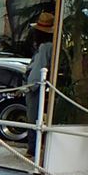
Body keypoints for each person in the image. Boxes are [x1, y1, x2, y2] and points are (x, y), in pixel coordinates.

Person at [25, 12, 54, 156]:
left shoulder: (44, 47)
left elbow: (38, 69)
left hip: (36, 85)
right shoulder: (49, 46)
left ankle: (33, 148)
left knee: (32, 116)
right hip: (40, 83)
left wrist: (30, 86)